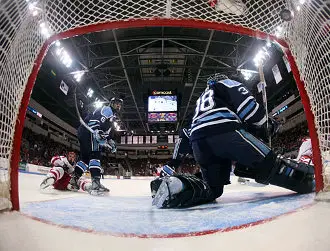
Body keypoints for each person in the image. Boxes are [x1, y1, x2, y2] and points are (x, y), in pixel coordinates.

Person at [152, 74, 314, 208]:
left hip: (199, 143)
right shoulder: (227, 84)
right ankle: (311, 180)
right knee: (271, 164)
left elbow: (185, 134)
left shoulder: (199, 102)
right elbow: (249, 110)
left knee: (213, 190)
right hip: (226, 133)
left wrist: (174, 162)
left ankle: (178, 187)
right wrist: (268, 124)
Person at [69, 97, 123, 195]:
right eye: (116, 103)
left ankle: (73, 180)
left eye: (119, 104)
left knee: (85, 159)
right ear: (111, 103)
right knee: (95, 155)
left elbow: (106, 133)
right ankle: (95, 184)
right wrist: (97, 131)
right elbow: (95, 121)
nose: (118, 105)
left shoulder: (111, 118)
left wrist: (110, 142)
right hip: (89, 131)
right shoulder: (107, 109)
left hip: (84, 132)